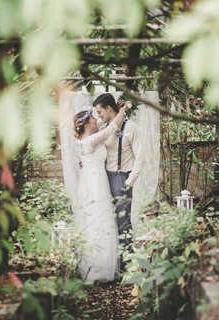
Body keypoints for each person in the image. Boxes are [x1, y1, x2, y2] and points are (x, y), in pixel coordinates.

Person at [73, 101, 130, 282]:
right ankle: (97, 270)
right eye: (93, 117)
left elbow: (106, 127)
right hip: (94, 184)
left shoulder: (90, 138)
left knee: (102, 221)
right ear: (86, 124)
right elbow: (111, 128)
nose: (97, 119)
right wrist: (123, 109)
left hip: (97, 180)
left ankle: (102, 266)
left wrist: (112, 110)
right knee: (97, 221)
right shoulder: (90, 140)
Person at [93, 93, 145, 273]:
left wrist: (129, 182)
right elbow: (91, 130)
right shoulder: (105, 127)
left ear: (109, 108)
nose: (98, 116)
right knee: (107, 221)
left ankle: (126, 266)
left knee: (123, 222)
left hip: (122, 177)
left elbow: (141, 157)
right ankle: (110, 265)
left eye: (100, 111)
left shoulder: (132, 128)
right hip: (104, 178)